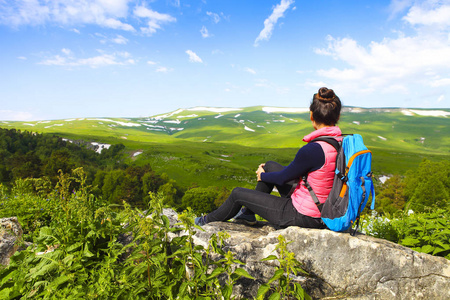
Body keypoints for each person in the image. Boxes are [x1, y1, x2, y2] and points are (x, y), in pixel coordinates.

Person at [195, 87, 342, 229]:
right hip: (323, 207)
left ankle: (204, 221)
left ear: (311, 115)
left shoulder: (313, 149)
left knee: (237, 194)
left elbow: (282, 178)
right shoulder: (338, 143)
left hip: (304, 216)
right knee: (270, 165)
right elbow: (294, 174)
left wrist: (263, 176)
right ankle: (247, 213)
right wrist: (267, 172)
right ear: (338, 117)